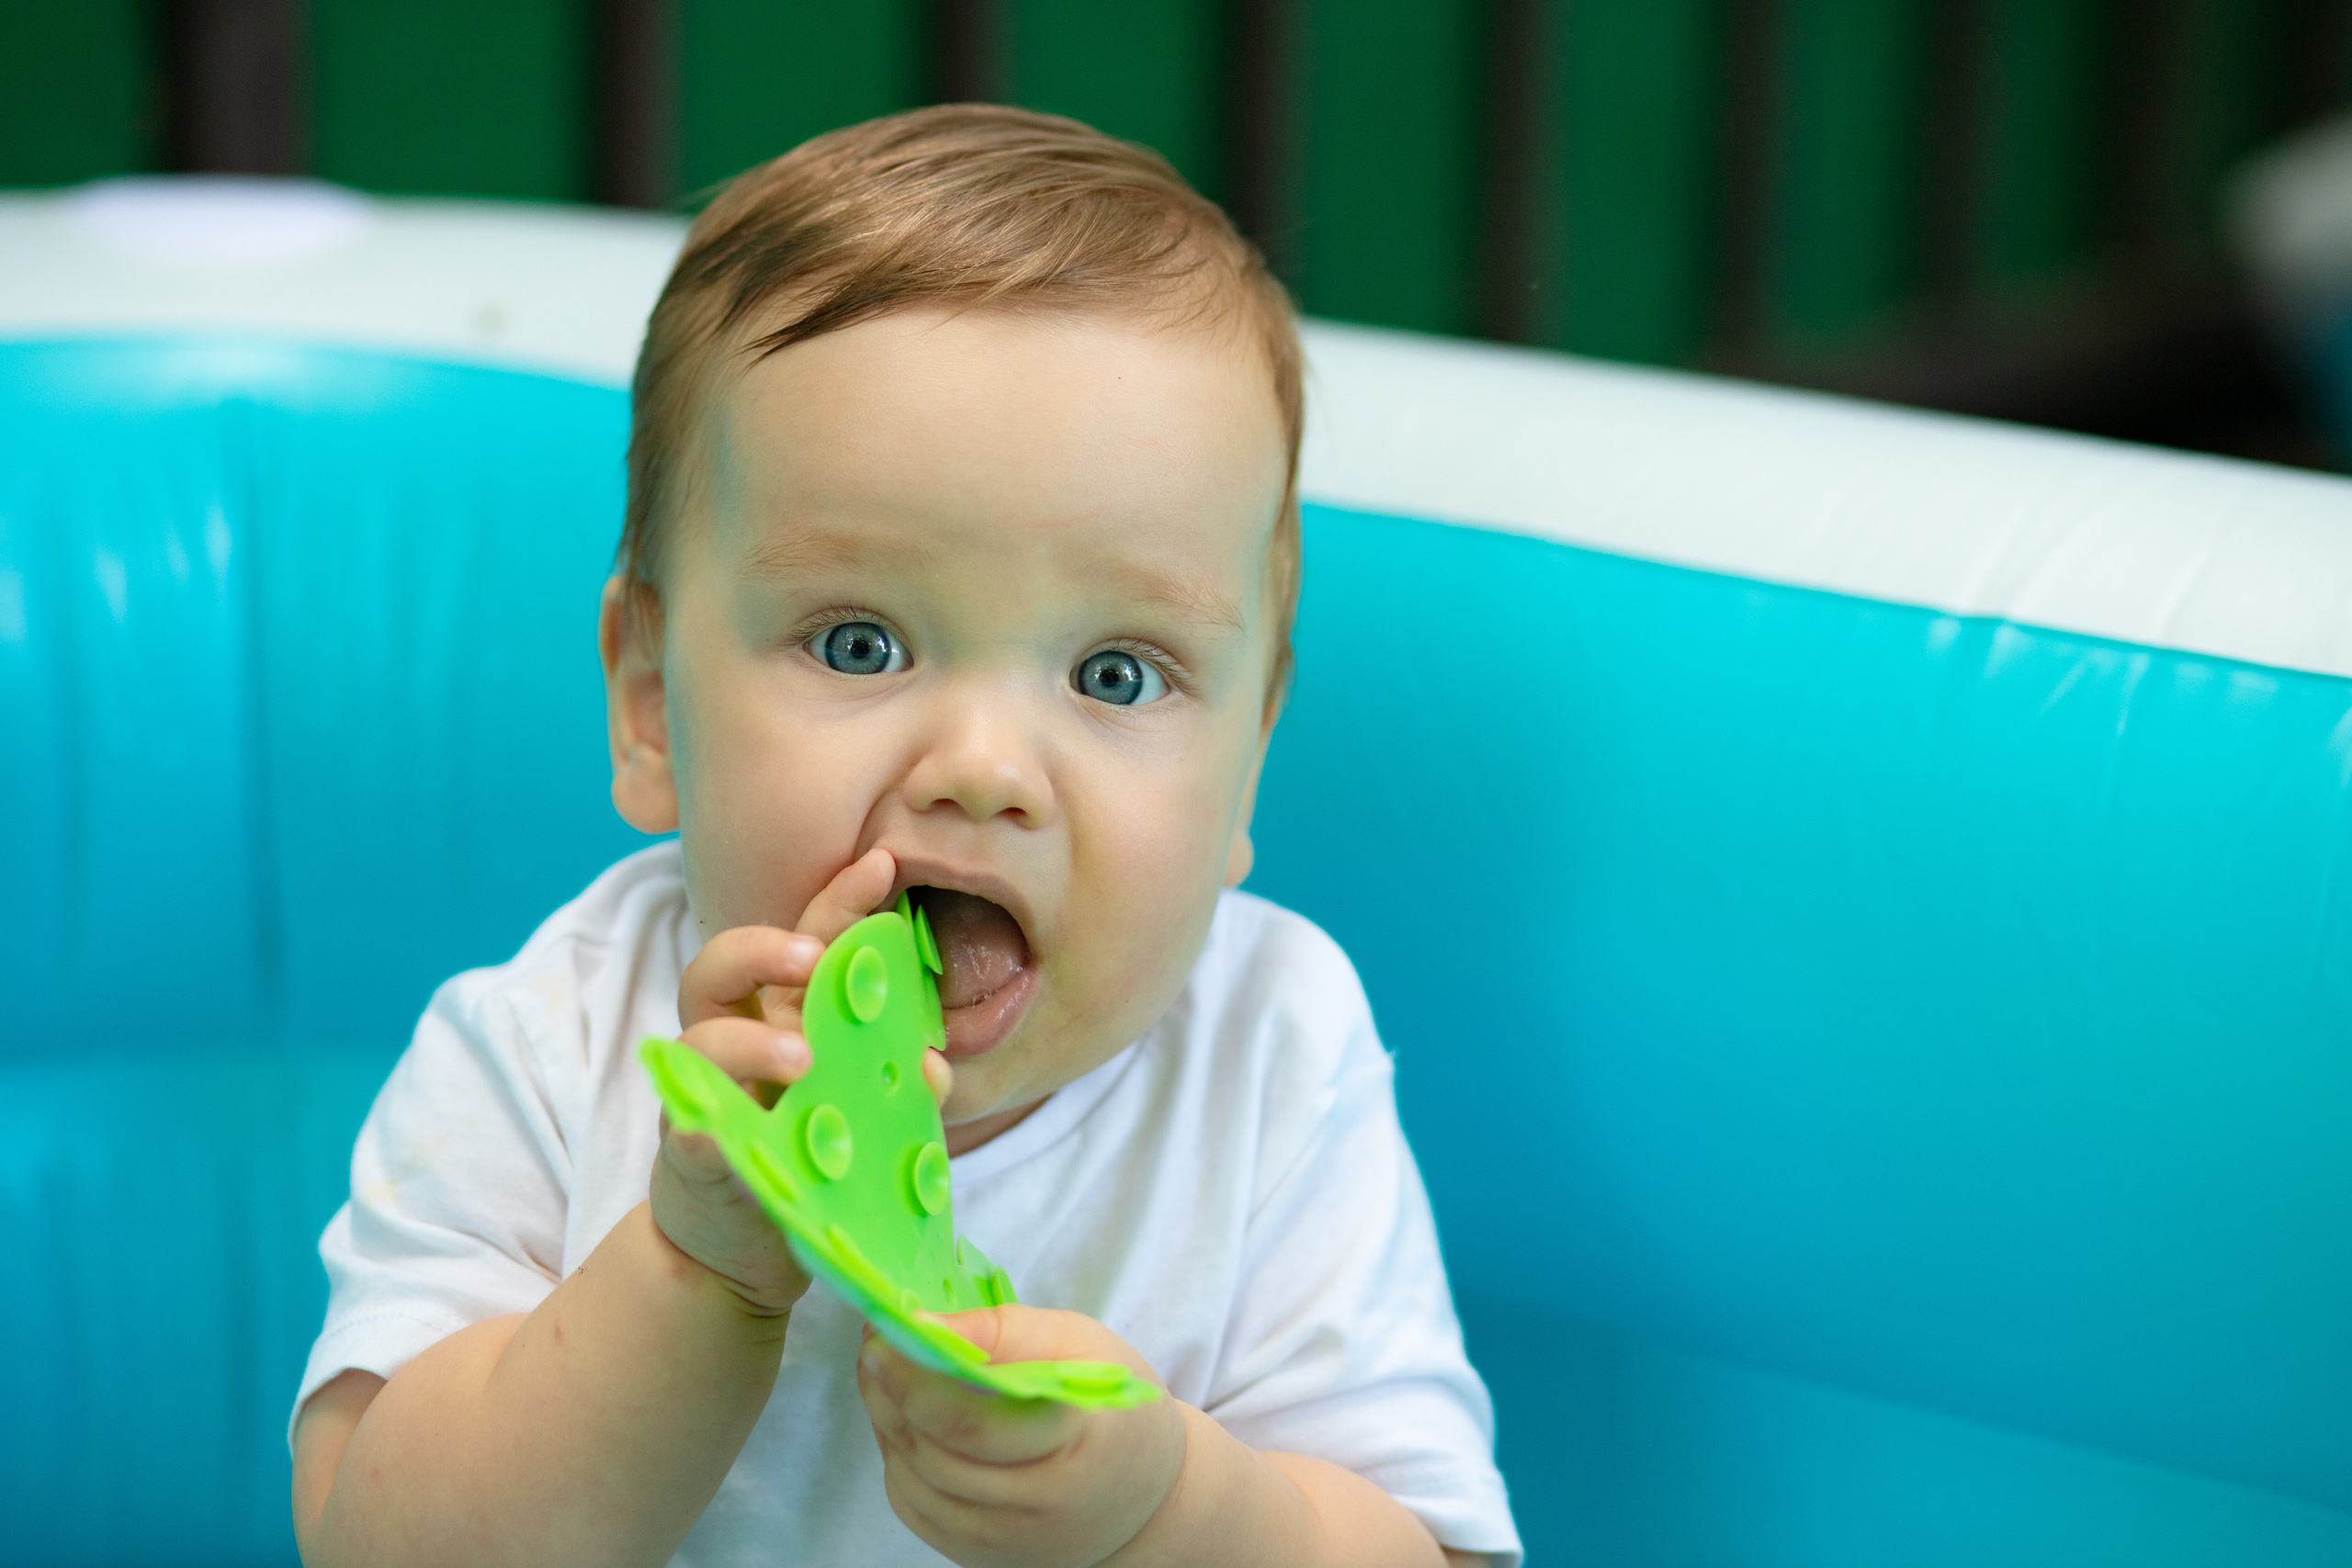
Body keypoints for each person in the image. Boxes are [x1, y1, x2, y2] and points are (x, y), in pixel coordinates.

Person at [288, 103, 1521, 1568]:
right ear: (646, 704)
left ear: (1249, 761)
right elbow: (375, 1542)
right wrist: (693, 1272)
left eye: (1115, 674)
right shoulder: (549, 1052)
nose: (986, 768)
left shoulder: (1269, 1058)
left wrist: (1173, 1510)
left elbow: (1423, 1550)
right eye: (861, 644)